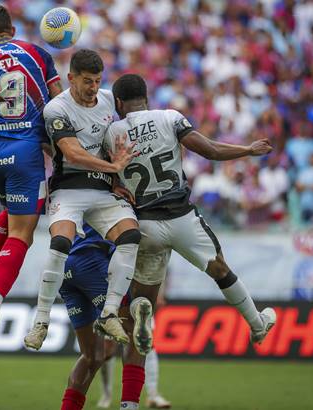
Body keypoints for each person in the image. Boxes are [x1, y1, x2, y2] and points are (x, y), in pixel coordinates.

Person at [104, 75, 277, 405]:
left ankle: (128, 403)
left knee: (142, 311)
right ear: (146, 97)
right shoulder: (169, 117)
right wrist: (247, 149)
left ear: (119, 104)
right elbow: (209, 150)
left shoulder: (112, 132)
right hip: (182, 218)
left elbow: (104, 173)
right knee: (221, 269)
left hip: (145, 225)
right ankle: (256, 325)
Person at [0, 4, 62, 351]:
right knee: (23, 231)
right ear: (12, 29)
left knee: (12, 215)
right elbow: (59, 104)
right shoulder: (36, 52)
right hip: (25, 154)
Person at [24, 49, 140, 350]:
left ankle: (110, 312)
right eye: (87, 81)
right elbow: (73, 153)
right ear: (71, 78)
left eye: (97, 81)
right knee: (60, 244)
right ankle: (41, 321)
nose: (93, 88)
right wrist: (114, 168)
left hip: (102, 190)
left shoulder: (105, 100)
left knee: (130, 236)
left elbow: (108, 143)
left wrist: (115, 179)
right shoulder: (56, 109)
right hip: (69, 189)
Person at [58, 224, 152, 410]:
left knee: (92, 356)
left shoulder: (76, 196)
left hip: (65, 267)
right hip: (91, 261)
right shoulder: (114, 197)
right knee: (135, 330)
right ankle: (129, 406)